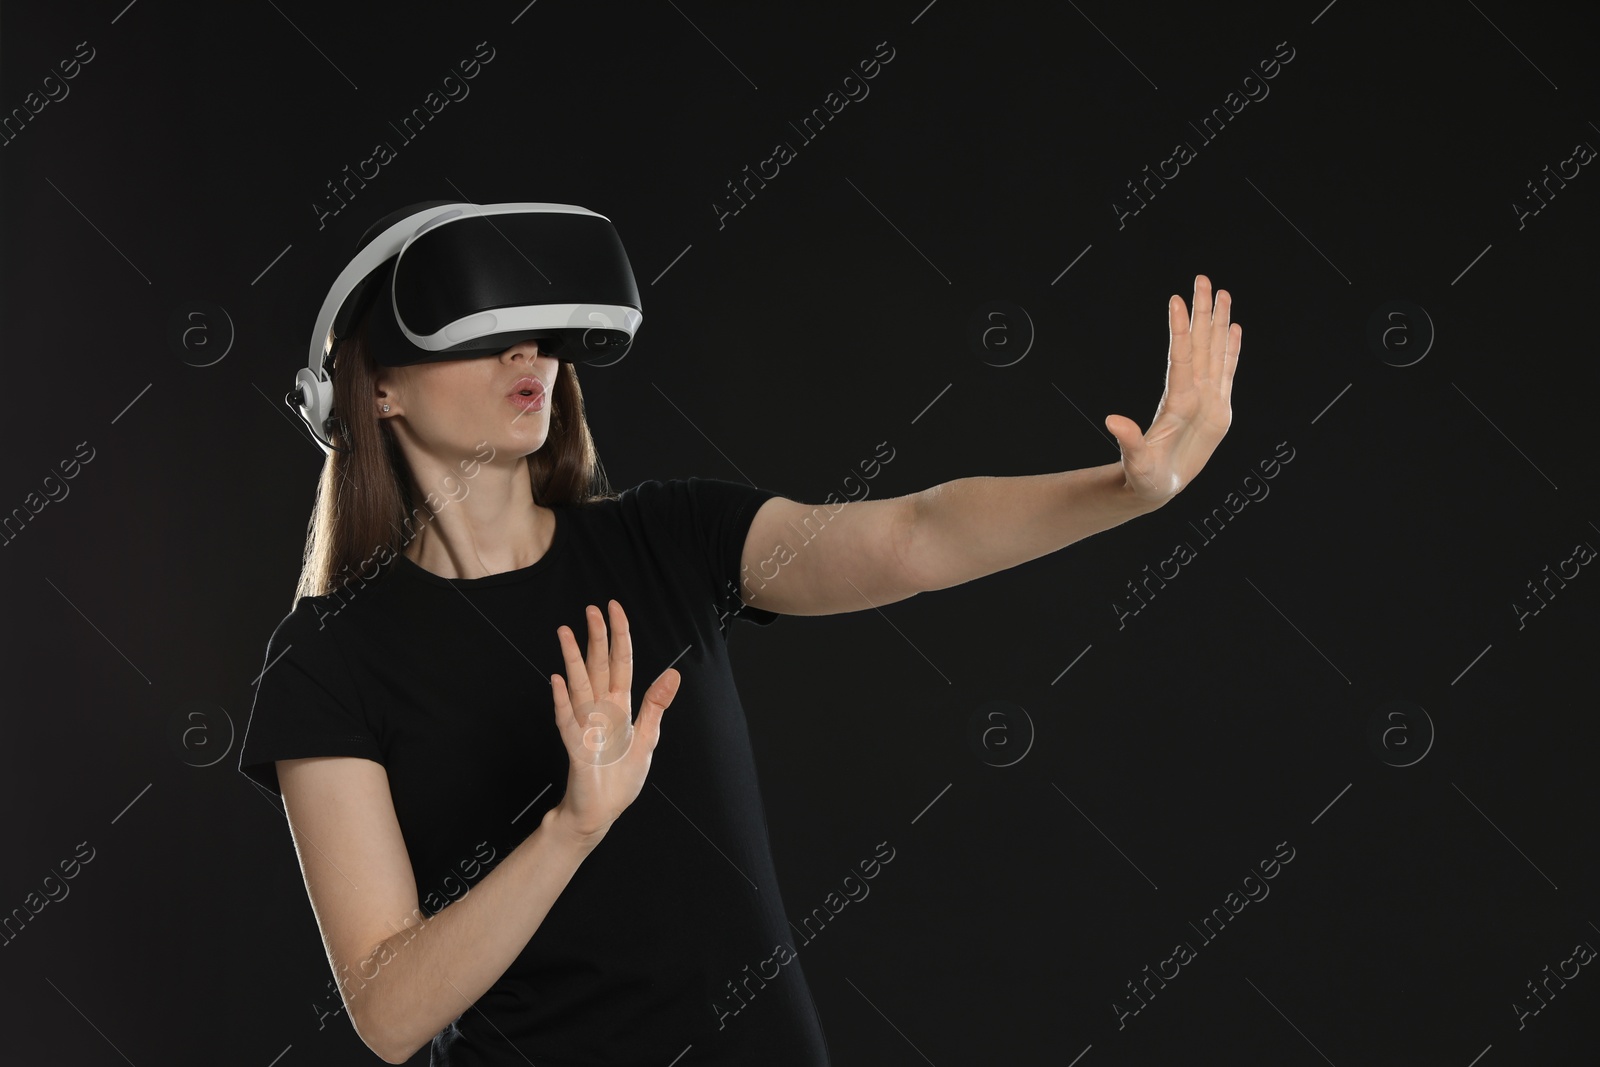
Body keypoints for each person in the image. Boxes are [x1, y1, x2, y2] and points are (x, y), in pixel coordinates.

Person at [238, 248, 1241, 1064]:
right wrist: (572, 826)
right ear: (374, 391)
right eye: (481, 330)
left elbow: (915, 535)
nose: (526, 352)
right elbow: (388, 1008)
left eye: (535, 330)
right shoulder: (331, 657)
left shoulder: (667, 536)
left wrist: (1124, 493)